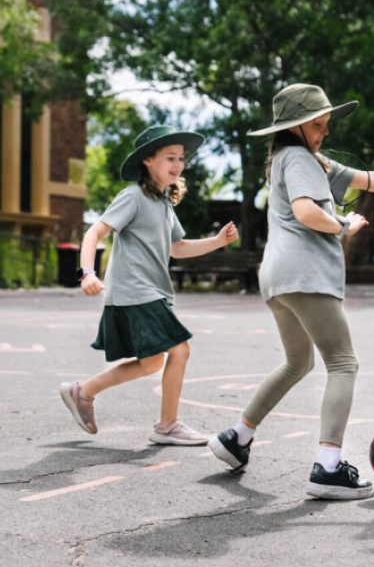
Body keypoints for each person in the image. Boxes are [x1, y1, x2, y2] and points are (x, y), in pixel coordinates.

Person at [209, 84, 374, 500]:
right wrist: (343, 225)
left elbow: (367, 180)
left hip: (278, 278)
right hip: (305, 275)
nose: (326, 131)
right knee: (343, 364)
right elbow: (306, 211)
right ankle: (327, 468)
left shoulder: (301, 158)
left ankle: (236, 438)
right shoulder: (299, 158)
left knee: (297, 363)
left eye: (326, 123)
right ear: (296, 127)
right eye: (318, 124)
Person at [60, 126, 240, 445]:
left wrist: (216, 241)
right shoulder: (133, 196)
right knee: (180, 349)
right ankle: (168, 426)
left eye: (181, 158)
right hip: (135, 290)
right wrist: (87, 272)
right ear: (147, 160)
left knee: (152, 362)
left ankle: (82, 391)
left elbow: (178, 248)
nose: (178, 164)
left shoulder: (163, 202)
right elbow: (93, 233)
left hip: (150, 292)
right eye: (170, 157)